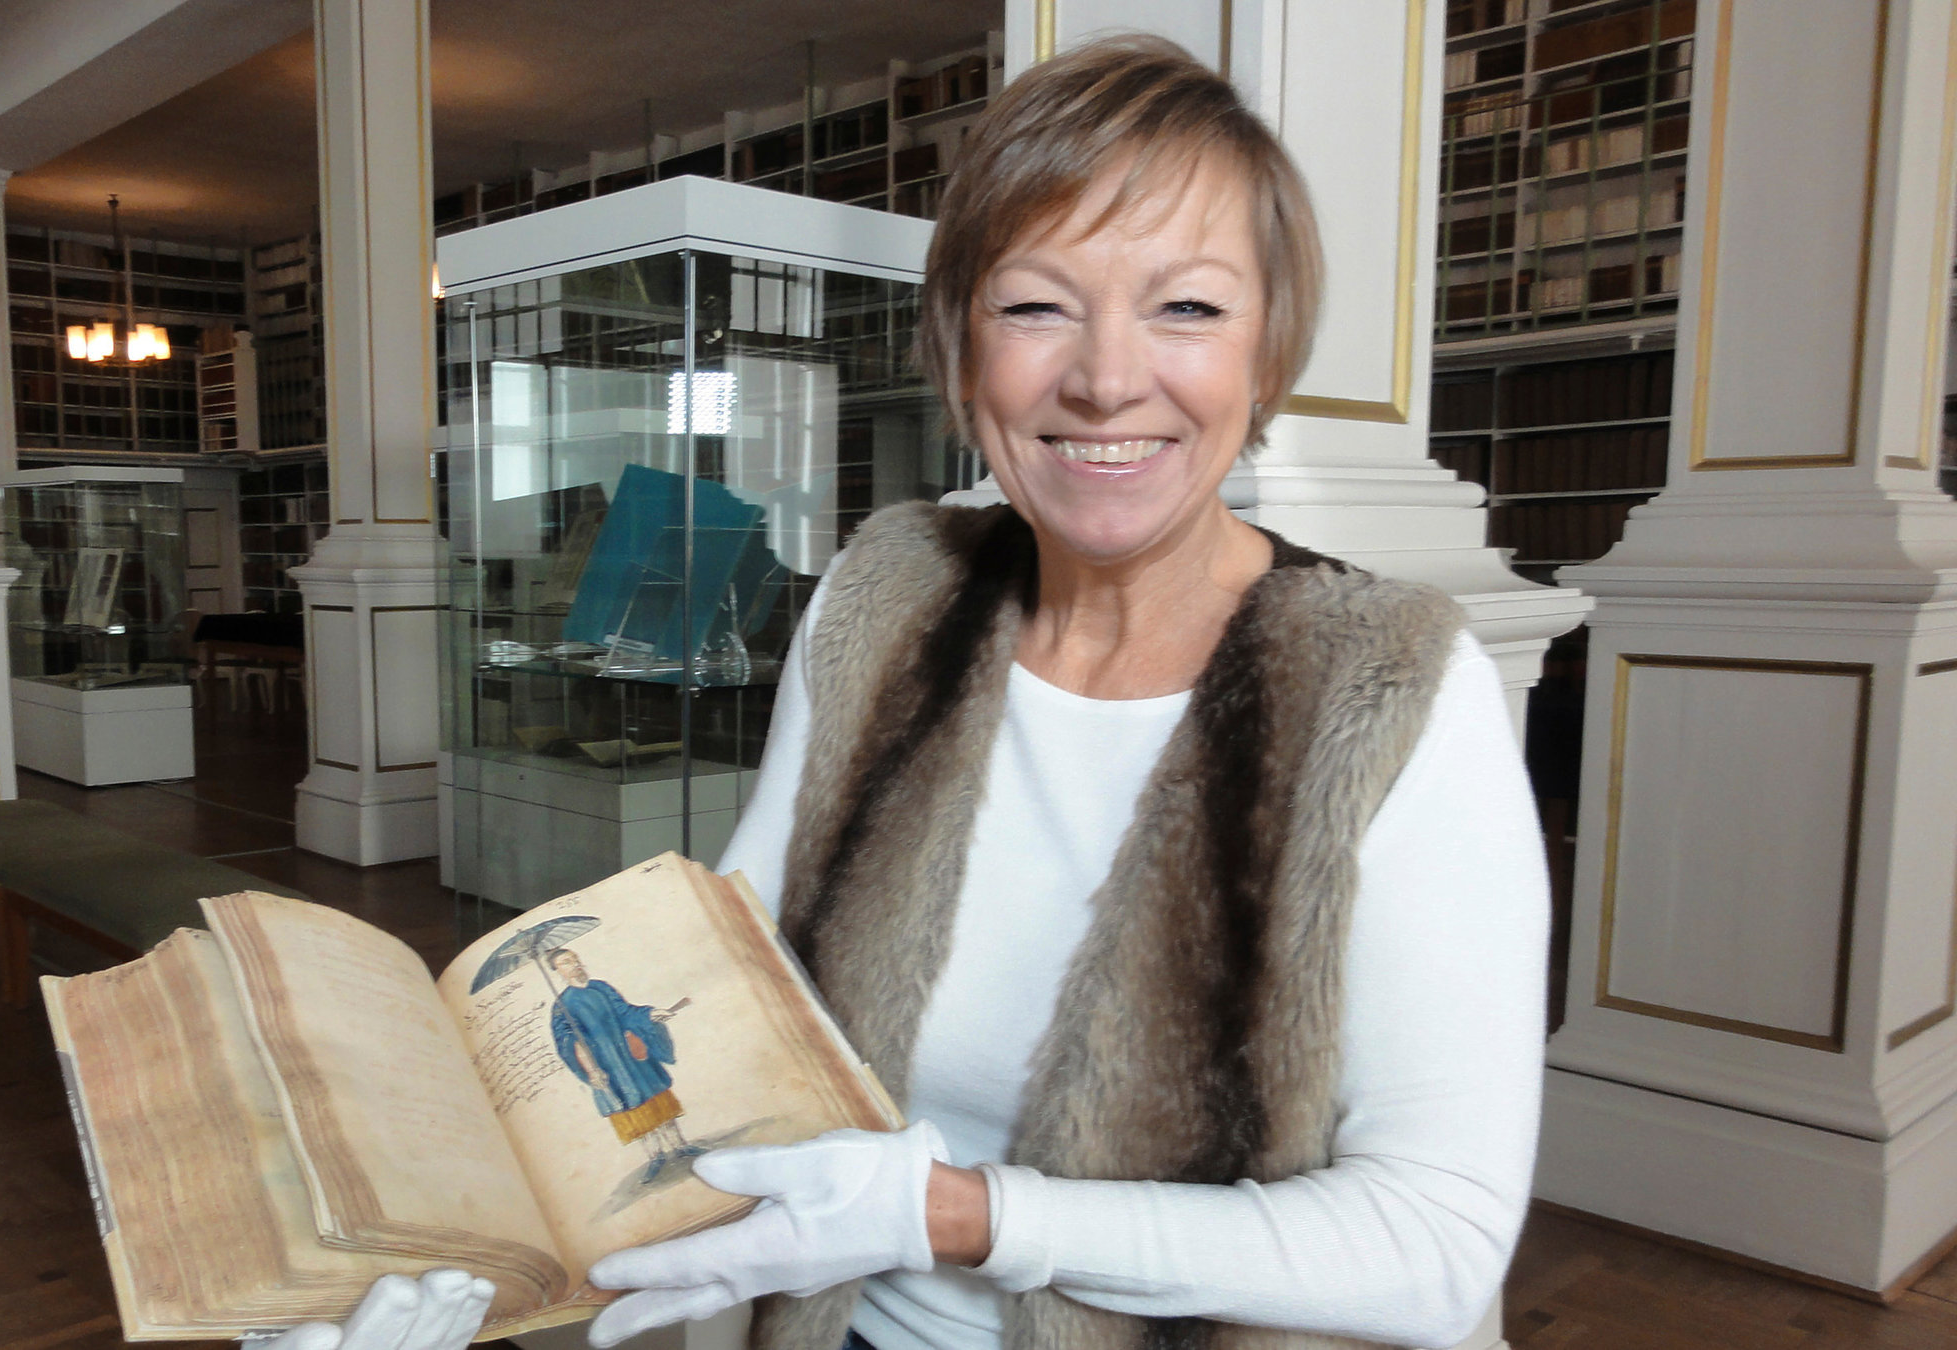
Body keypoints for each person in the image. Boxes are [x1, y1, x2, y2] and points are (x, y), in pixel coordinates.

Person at [266, 32, 1546, 1350]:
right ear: (958, 347)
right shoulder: (890, 598)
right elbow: (732, 985)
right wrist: (424, 1224)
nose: (1107, 376)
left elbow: (1432, 1251)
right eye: (1038, 303)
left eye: (1189, 307)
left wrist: (952, 1214)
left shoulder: (1391, 685)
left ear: (1265, 351)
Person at [547, 948, 694, 1180]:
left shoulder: (601, 987)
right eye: (566, 962)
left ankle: (680, 1146)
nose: (575, 964)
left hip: (629, 1051)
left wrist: (650, 1014)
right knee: (632, 1105)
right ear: (557, 971)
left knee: (655, 1095)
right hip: (607, 1064)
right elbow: (565, 1041)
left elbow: (625, 1012)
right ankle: (656, 1156)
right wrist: (589, 1067)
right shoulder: (562, 1005)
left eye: (575, 959)